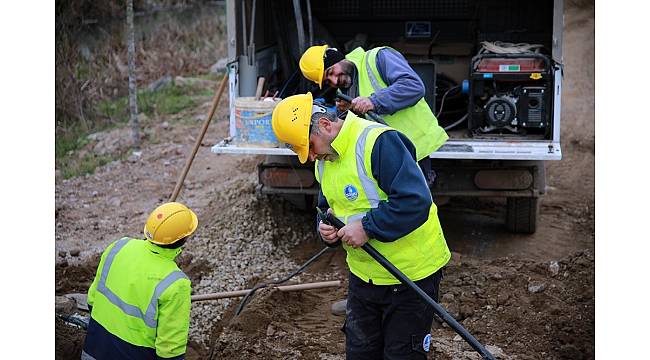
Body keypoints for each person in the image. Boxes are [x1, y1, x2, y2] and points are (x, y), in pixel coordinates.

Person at [272, 92, 451, 359]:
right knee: (361, 352)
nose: (309, 157)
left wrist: (367, 227)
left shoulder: (377, 142)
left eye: (308, 146)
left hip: (410, 275)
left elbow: (415, 200)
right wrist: (325, 228)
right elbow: (327, 207)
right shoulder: (325, 160)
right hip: (364, 277)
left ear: (324, 125)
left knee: (402, 354)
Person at [299, 44, 449, 182]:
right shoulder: (344, 90)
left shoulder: (378, 58)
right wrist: (346, 112)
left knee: (416, 204)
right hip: (387, 156)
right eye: (327, 81)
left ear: (338, 58)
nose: (334, 80)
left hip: (416, 149)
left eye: (331, 72)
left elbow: (413, 87)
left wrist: (373, 102)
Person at [81, 202, 198, 360]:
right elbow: (170, 349)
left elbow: (92, 300)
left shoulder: (119, 246)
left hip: (94, 347)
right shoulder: (176, 283)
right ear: (184, 238)